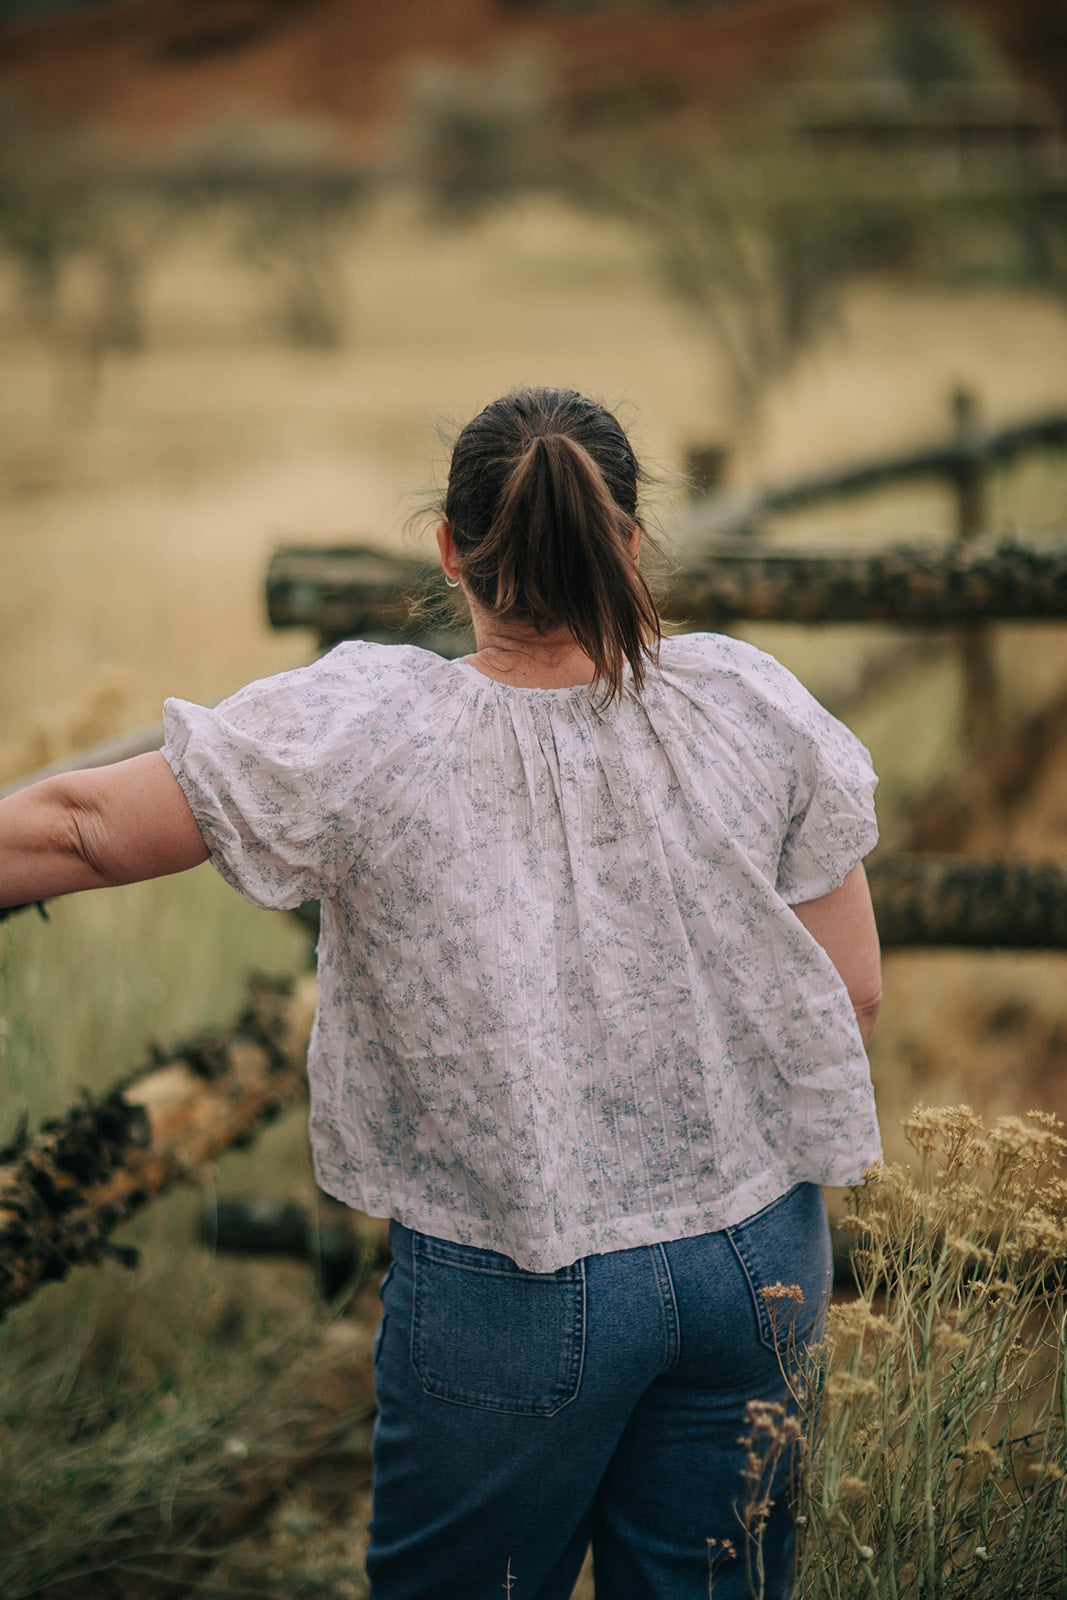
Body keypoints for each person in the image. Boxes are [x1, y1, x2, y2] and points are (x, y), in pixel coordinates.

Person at [0, 387, 882, 1600]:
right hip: (757, 1260)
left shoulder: (370, 725)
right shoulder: (750, 702)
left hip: (512, 1278)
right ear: (628, 541)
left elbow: (83, 826)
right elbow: (851, 994)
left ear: (450, 553)